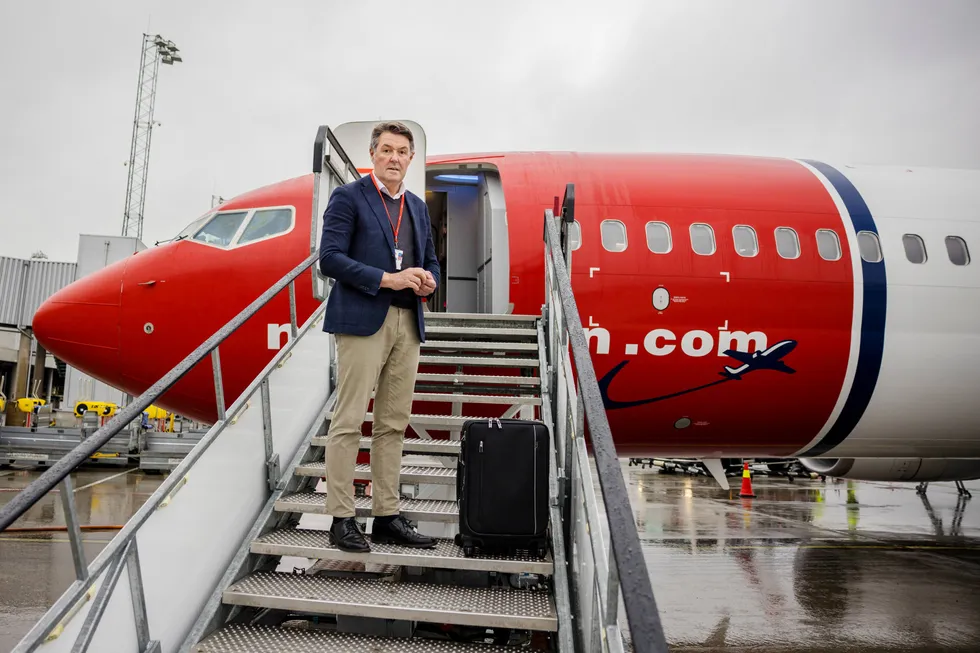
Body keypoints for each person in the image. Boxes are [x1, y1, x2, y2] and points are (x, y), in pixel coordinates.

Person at [318, 121, 440, 552]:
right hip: (362, 320)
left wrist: (429, 281)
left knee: (392, 424)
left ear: (410, 159)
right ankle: (341, 517)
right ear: (373, 155)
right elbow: (328, 259)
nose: (394, 158)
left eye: (402, 151)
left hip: (408, 322)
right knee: (349, 421)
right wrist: (388, 279)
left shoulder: (418, 208)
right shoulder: (348, 198)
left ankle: (386, 514)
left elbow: (431, 260)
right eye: (386, 150)